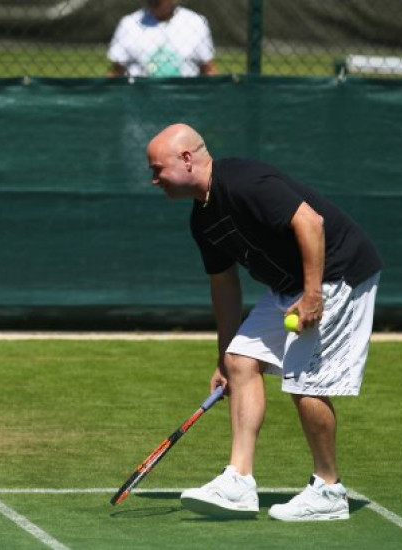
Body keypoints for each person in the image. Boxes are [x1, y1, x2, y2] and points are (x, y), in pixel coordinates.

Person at [146, 124, 382, 521]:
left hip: (338, 273)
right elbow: (223, 285)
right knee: (240, 361)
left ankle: (329, 490)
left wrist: (312, 295)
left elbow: (311, 223)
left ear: (186, 159)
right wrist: (222, 356)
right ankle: (238, 482)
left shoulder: (243, 181)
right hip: (287, 285)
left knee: (305, 380)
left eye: (157, 169)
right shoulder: (201, 220)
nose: (153, 180)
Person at [108, 0, 217, 78]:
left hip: (184, 100)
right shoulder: (129, 24)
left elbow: (207, 69)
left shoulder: (195, 23)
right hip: (140, 100)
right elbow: (116, 72)